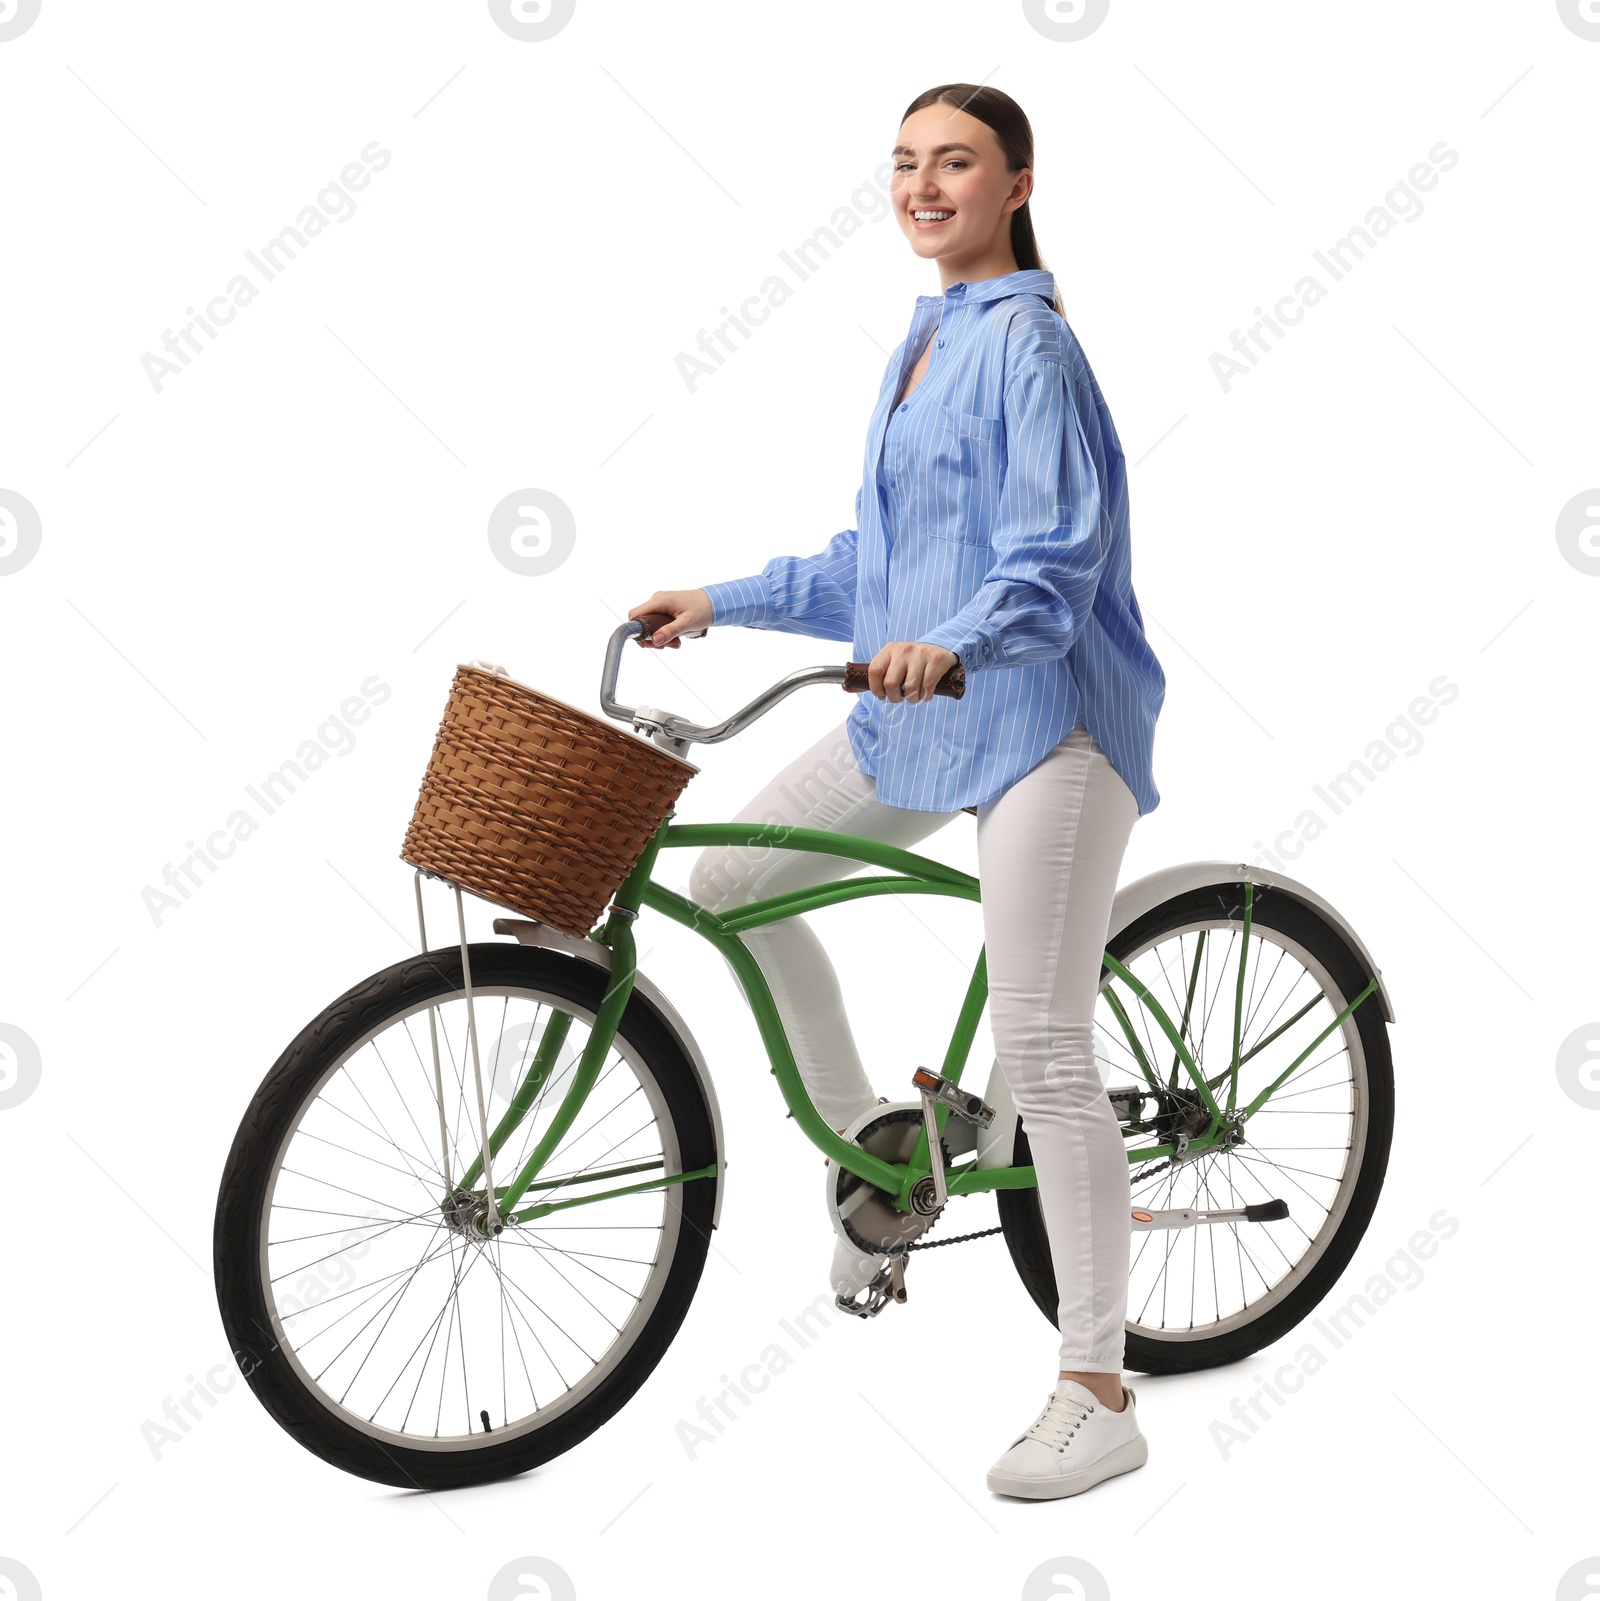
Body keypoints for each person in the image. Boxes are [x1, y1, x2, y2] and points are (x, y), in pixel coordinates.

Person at [628, 83, 1166, 1501]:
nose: (925, 185)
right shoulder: (928, 339)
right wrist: (723, 599)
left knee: (1047, 1049)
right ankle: (894, 1144)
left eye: (958, 163)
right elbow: (877, 567)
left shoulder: (1029, 345)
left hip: (1049, 718)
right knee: (731, 884)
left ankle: (1096, 1388)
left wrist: (961, 642)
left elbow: (1051, 562)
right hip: (923, 716)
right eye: (907, 164)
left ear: (1018, 181)